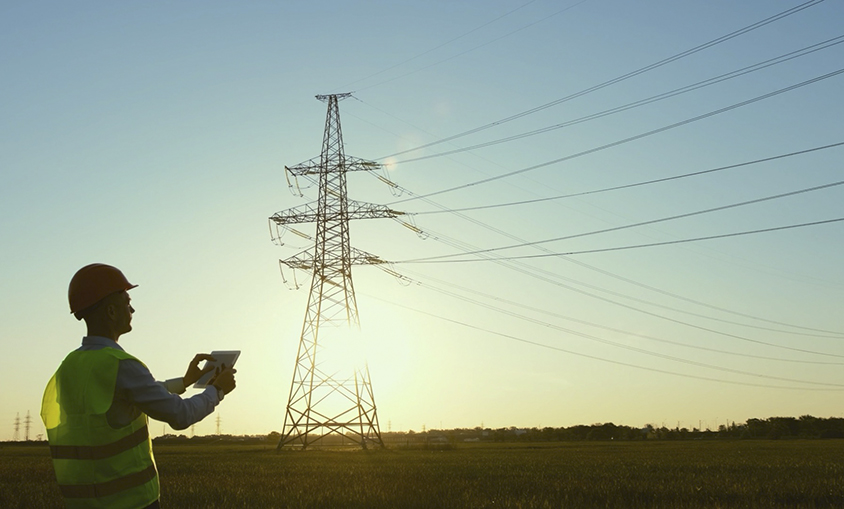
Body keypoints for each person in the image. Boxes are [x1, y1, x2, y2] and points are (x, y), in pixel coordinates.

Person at [41, 263, 237, 509]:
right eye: (127, 301)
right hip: (130, 501)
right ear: (111, 312)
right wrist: (217, 390)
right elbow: (180, 415)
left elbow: (125, 400)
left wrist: (184, 382)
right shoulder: (122, 365)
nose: (132, 308)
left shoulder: (68, 366)